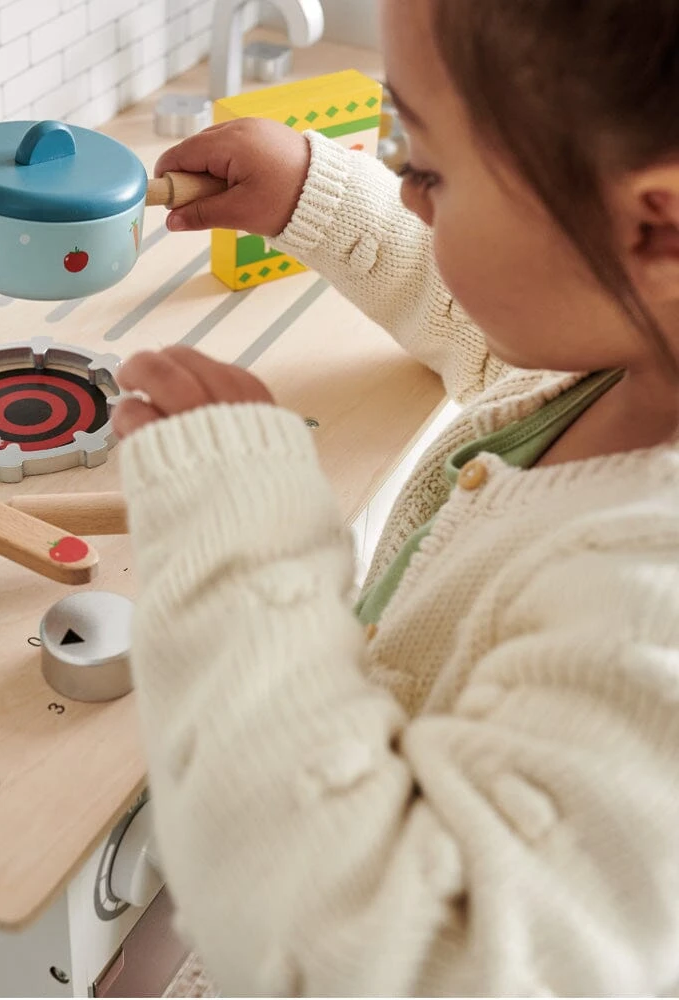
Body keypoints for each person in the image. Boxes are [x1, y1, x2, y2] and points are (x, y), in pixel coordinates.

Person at [107, 0, 679, 994]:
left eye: (429, 168)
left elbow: (392, 959)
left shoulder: (647, 613)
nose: (410, 195)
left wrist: (240, 538)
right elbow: (514, 317)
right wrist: (320, 199)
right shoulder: (632, 357)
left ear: (656, 228)